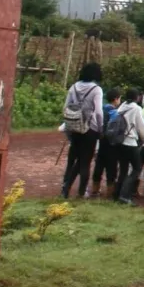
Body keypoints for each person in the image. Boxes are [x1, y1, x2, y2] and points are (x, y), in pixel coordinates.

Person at [59, 62, 104, 199]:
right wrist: (101, 128)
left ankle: (65, 188)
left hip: (74, 128)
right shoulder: (96, 89)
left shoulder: (73, 87)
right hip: (90, 129)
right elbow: (98, 112)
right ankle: (81, 191)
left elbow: (65, 107)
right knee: (85, 162)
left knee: (75, 159)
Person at [92, 85, 125, 198]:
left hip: (101, 141)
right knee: (111, 168)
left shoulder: (101, 109)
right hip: (112, 144)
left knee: (99, 166)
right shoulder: (116, 113)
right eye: (119, 98)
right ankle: (110, 192)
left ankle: (94, 190)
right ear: (116, 99)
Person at [115, 88, 144, 205]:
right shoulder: (137, 109)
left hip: (120, 142)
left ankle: (117, 194)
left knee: (123, 169)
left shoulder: (121, 108)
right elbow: (141, 127)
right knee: (136, 169)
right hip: (131, 142)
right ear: (137, 97)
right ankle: (125, 195)